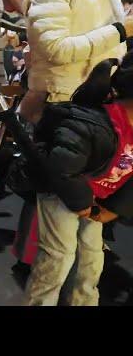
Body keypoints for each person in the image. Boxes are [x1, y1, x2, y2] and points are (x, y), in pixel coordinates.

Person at [20, 0, 133, 305]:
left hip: (100, 120)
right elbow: (53, 47)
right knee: (59, 252)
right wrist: (120, 30)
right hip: (66, 117)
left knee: (90, 254)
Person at [24, 51, 133, 305]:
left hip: (94, 200)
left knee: (91, 260)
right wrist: (83, 203)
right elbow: (60, 168)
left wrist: (112, 210)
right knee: (58, 257)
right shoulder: (95, 124)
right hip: (63, 193)